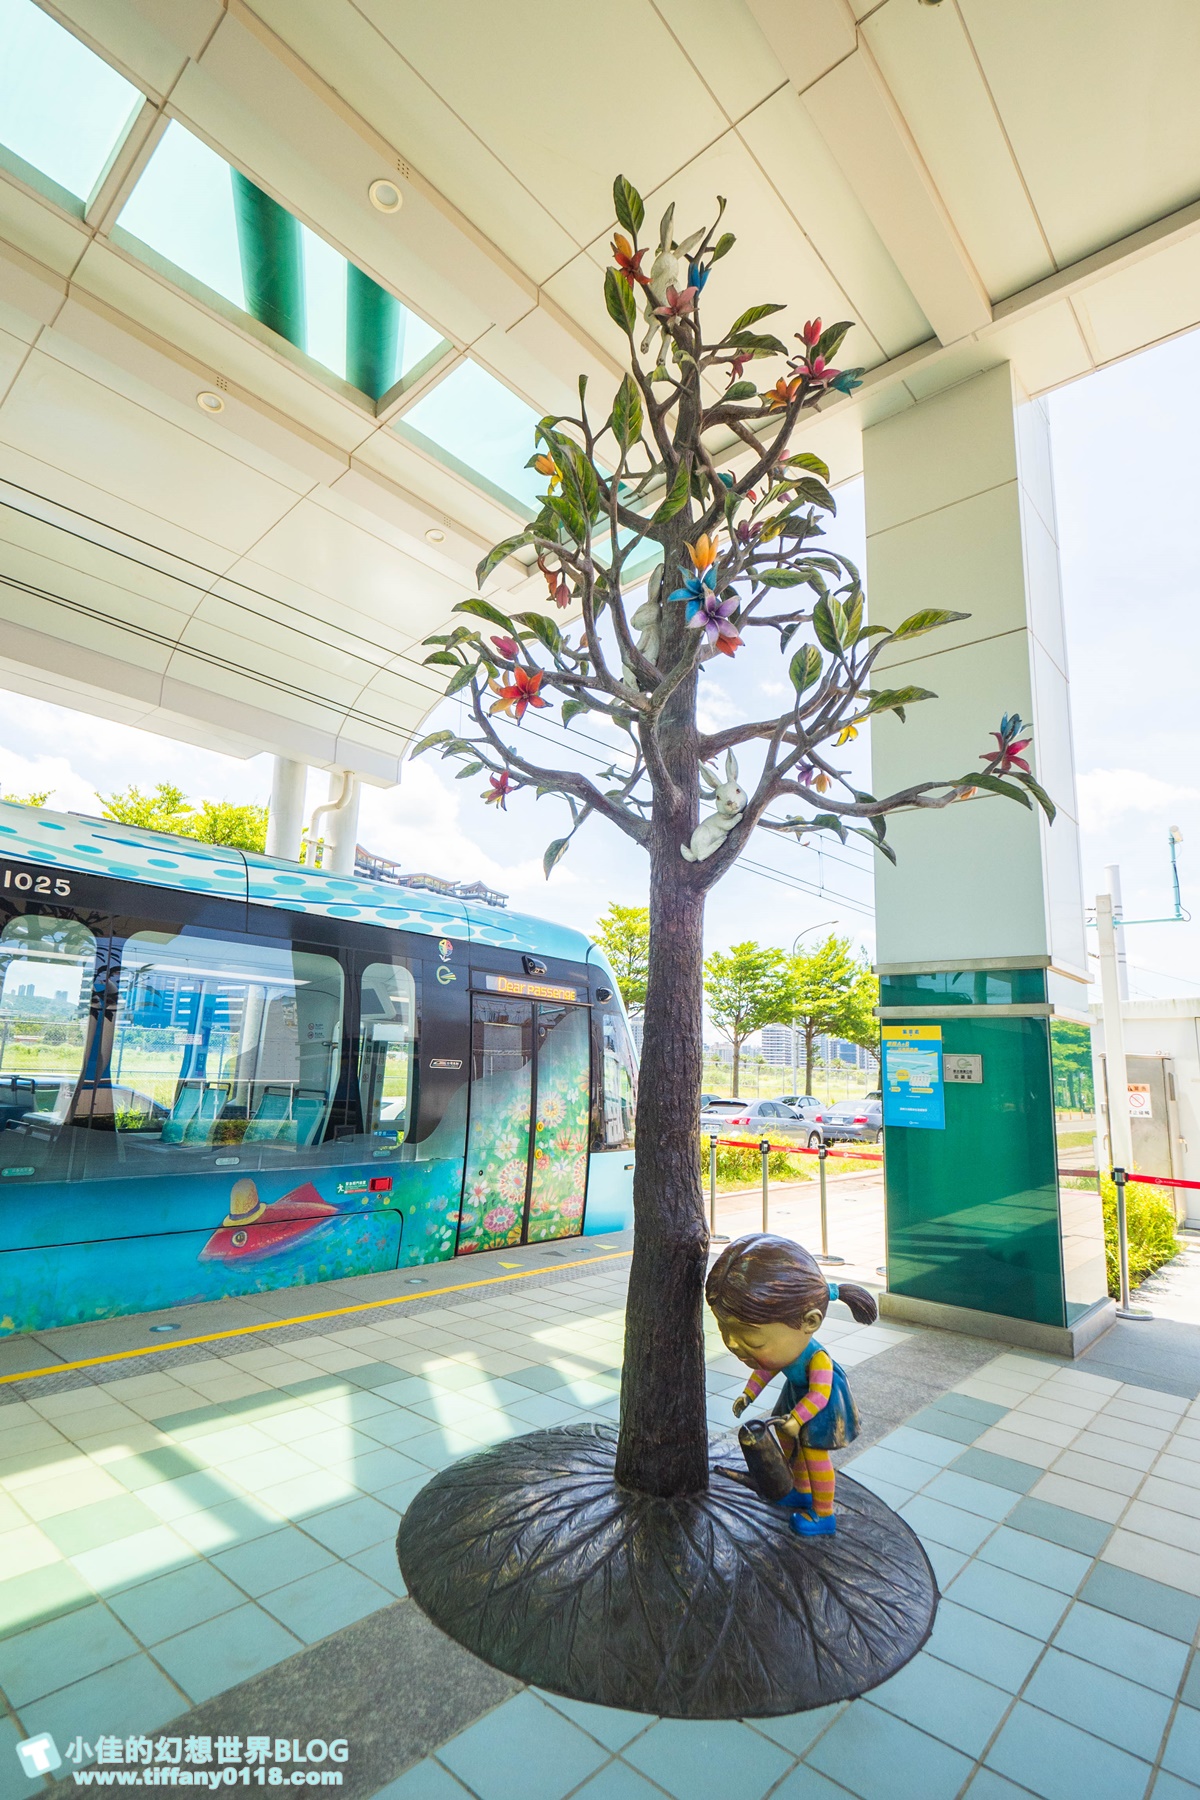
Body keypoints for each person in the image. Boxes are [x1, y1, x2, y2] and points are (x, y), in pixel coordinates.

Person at [705, 1232, 878, 1536]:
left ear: (809, 1322)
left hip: (822, 1404)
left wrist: (798, 1419)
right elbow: (766, 1368)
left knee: (813, 1453)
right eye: (725, 1332)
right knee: (789, 1446)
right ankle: (799, 1490)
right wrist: (749, 1393)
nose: (733, 1344)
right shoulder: (783, 1353)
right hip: (797, 1396)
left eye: (752, 1340)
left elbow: (819, 1394)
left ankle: (824, 1513)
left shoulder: (819, 1360)